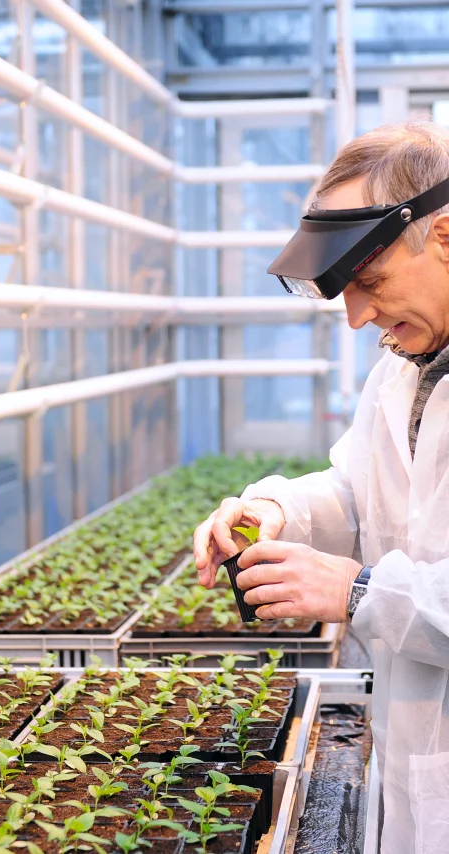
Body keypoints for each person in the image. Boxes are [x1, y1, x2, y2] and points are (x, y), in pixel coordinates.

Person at [193, 122, 449, 854]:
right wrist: (276, 509)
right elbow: (353, 490)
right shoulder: (401, 369)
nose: (358, 316)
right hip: (410, 757)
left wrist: (360, 593)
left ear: (444, 237)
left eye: (369, 283)